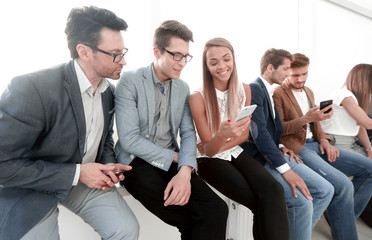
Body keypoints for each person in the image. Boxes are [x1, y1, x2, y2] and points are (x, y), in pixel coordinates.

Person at [0, 6, 139, 240]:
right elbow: (3, 164)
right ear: (84, 52)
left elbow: (104, 138)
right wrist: (77, 173)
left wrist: (108, 165)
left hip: (82, 181)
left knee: (125, 229)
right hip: (32, 185)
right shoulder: (31, 88)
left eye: (123, 51)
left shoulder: (108, 92)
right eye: (115, 54)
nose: (123, 61)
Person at [115, 20, 228, 240]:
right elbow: (129, 140)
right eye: (176, 55)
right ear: (157, 51)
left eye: (186, 56)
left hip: (173, 160)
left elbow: (187, 133)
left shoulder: (183, 87)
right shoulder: (130, 81)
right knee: (194, 218)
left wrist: (185, 171)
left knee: (217, 208)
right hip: (135, 162)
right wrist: (176, 159)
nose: (182, 62)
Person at [188, 38, 289, 240]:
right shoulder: (197, 97)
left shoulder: (245, 90)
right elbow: (208, 150)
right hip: (208, 160)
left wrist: (225, 139)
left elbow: (244, 134)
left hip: (234, 151)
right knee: (257, 200)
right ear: (206, 67)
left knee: (274, 190)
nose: (222, 66)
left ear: (233, 58)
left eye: (226, 59)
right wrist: (222, 136)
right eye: (214, 62)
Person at [272, 53, 372, 240]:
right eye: (295, 75)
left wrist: (324, 140)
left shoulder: (308, 91)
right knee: (342, 185)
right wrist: (306, 119)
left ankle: (341, 216)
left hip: (318, 144)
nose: (300, 79)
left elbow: (316, 124)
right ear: (287, 72)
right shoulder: (278, 93)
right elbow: (278, 129)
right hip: (299, 147)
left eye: (304, 74)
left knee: (369, 169)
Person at [240, 48, 334, 240]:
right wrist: (285, 169)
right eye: (285, 69)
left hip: (279, 151)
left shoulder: (268, 90)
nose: (288, 74)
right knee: (302, 202)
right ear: (270, 67)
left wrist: (282, 147)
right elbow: (258, 133)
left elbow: (271, 130)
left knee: (326, 190)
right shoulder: (254, 88)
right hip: (263, 159)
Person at [320, 63, 372, 228]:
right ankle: (342, 218)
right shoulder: (344, 96)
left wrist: (369, 149)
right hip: (336, 143)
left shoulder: (353, 98)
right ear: (364, 81)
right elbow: (367, 123)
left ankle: (343, 215)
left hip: (350, 142)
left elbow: (360, 128)